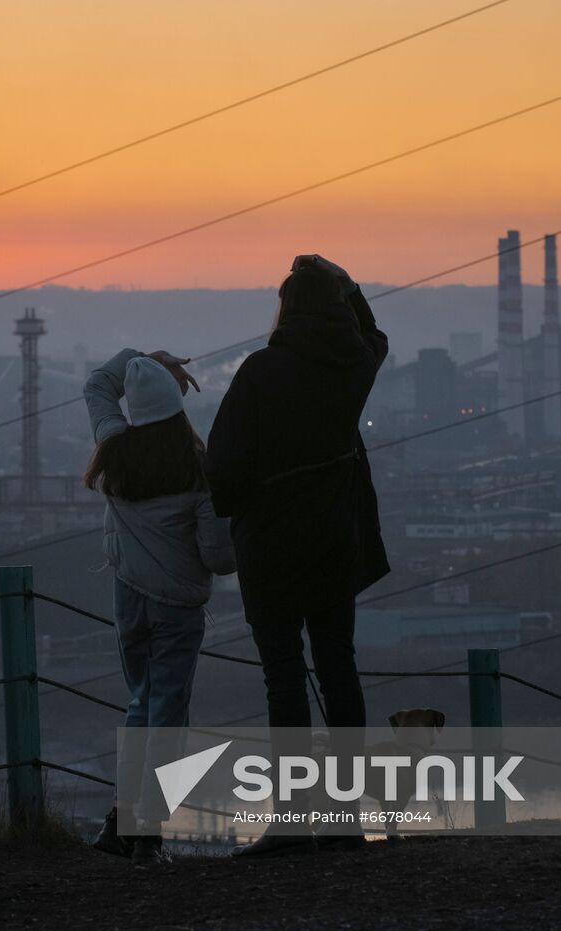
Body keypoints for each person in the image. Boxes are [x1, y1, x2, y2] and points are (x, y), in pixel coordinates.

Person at [206, 254, 390, 856]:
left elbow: (224, 469)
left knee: (283, 677)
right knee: (339, 668)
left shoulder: (261, 372)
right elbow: (374, 336)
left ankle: (290, 821)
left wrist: (245, 502)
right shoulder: (354, 367)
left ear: (286, 309)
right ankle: (343, 819)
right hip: (337, 542)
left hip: (273, 547)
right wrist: (349, 284)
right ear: (336, 307)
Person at [83, 347, 236, 868]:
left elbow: (97, 387)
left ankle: (121, 821)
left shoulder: (114, 448)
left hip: (127, 596)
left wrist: (140, 359)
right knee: (166, 713)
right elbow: (220, 558)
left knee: (142, 704)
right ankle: (145, 831)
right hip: (177, 608)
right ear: (177, 409)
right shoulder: (198, 471)